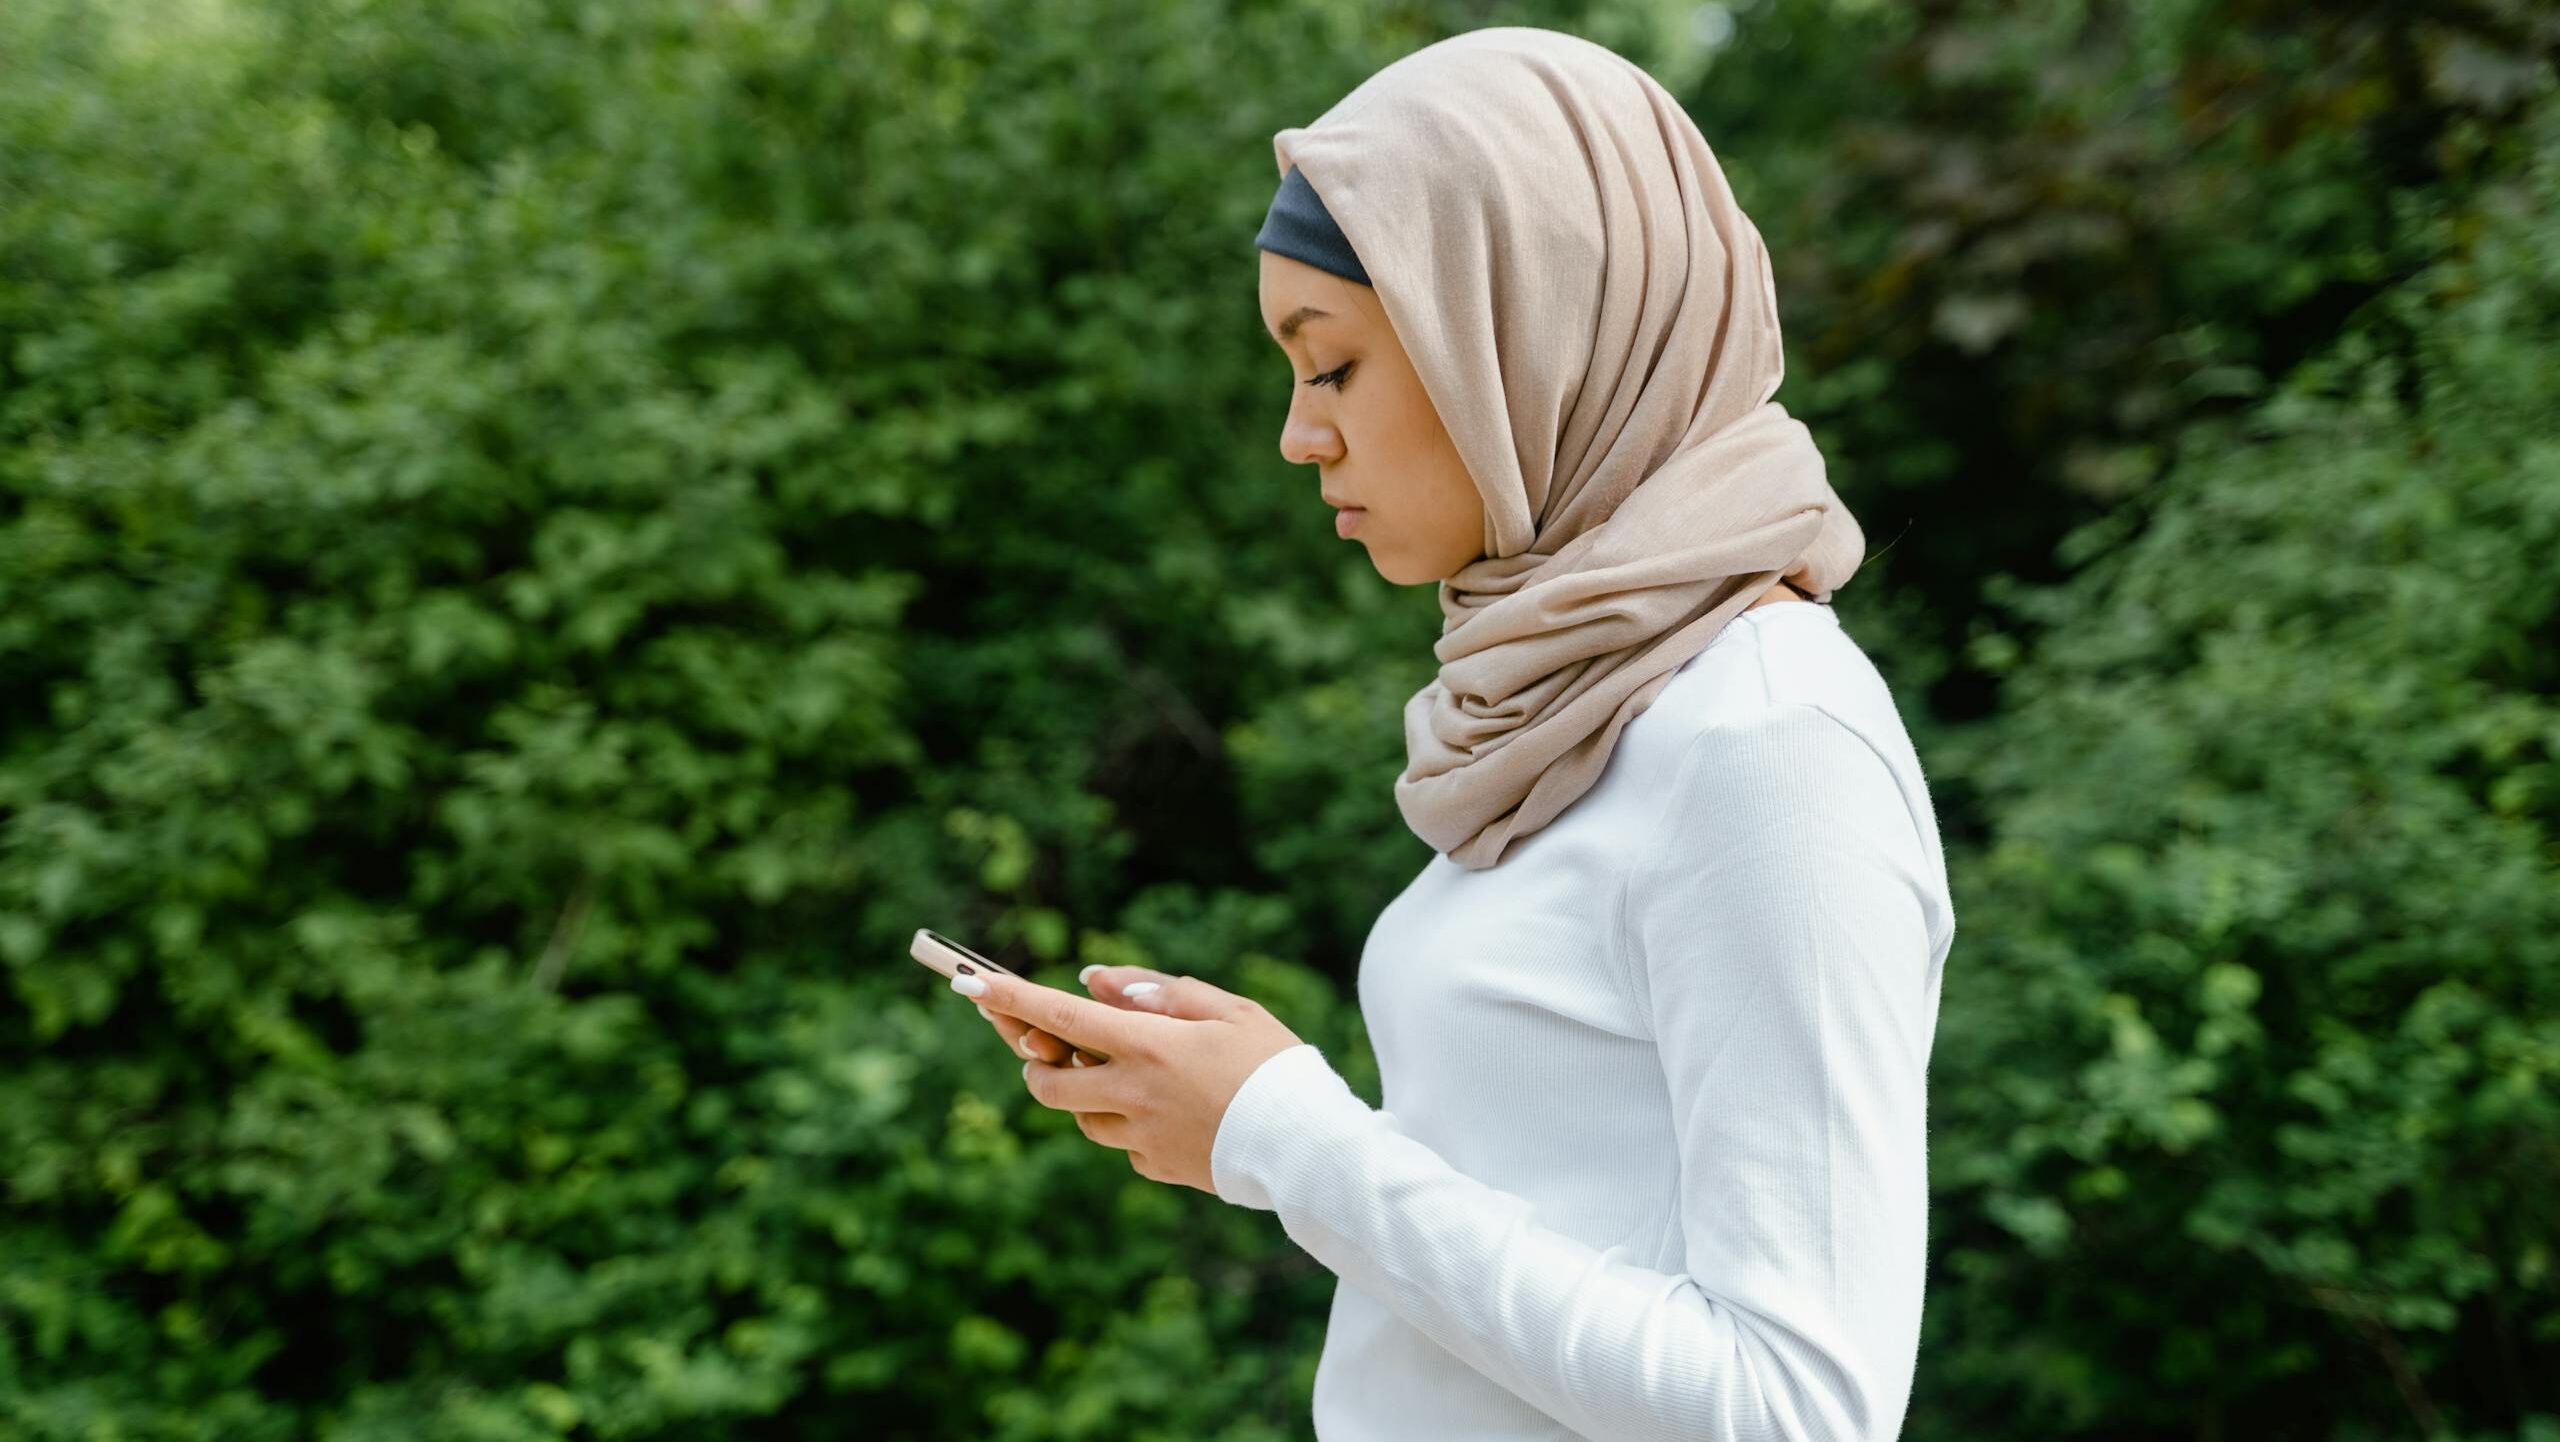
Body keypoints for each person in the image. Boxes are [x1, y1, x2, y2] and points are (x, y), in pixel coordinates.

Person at [953, 25, 1955, 1442]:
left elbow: (1797, 1408)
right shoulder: (1573, 712)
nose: (1300, 435)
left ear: (1514, 331)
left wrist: (1290, 1135)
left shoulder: (1770, 742)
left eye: (1335, 364)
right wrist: (1250, 1113)